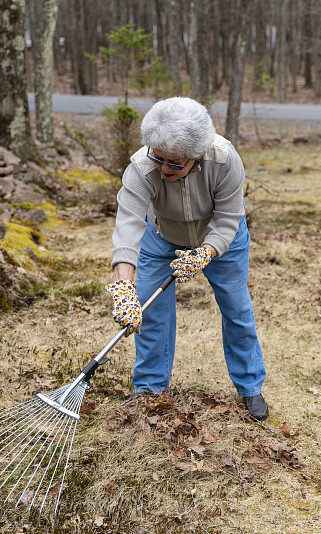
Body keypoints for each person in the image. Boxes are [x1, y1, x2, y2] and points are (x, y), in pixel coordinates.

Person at [105, 97, 268, 420]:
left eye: (175, 163)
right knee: (151, 313)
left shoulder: (224, 160)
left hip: (223, 239)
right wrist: (124, 287)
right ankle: (150, 390)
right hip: (161, 236)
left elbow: (227, 219)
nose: (164, 169)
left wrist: (205, 253)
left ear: (196, 156)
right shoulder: (141, 167)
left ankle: (250, 386)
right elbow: (128, 227)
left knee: (236, 309)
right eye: (160, 158)